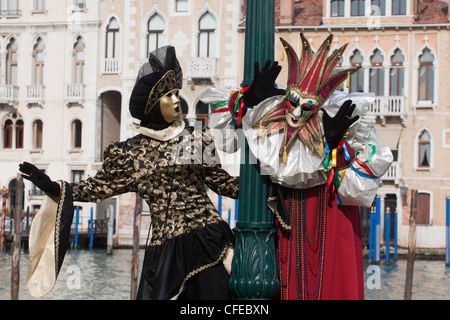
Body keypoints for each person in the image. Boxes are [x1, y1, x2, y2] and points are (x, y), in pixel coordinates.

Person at [19, 46, 239, 300]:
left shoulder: (195, 137)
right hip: (169, 253)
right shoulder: (130, 153)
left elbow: (224, 184)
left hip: (210, 242)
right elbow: (97, 187)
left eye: (177, 93)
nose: (177, 100)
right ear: (153, 104)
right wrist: (54, 187)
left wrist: (267, 181)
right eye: (169, 95)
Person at [206, 33, 393, 300]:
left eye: (306, 108)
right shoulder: (269, 124)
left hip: (330, 218)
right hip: (284, 224)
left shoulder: (344, 124)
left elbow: (360, 188)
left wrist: (334, 146)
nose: (295, 114)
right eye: (292, 103)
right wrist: (248, 101)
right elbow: (227, 137)